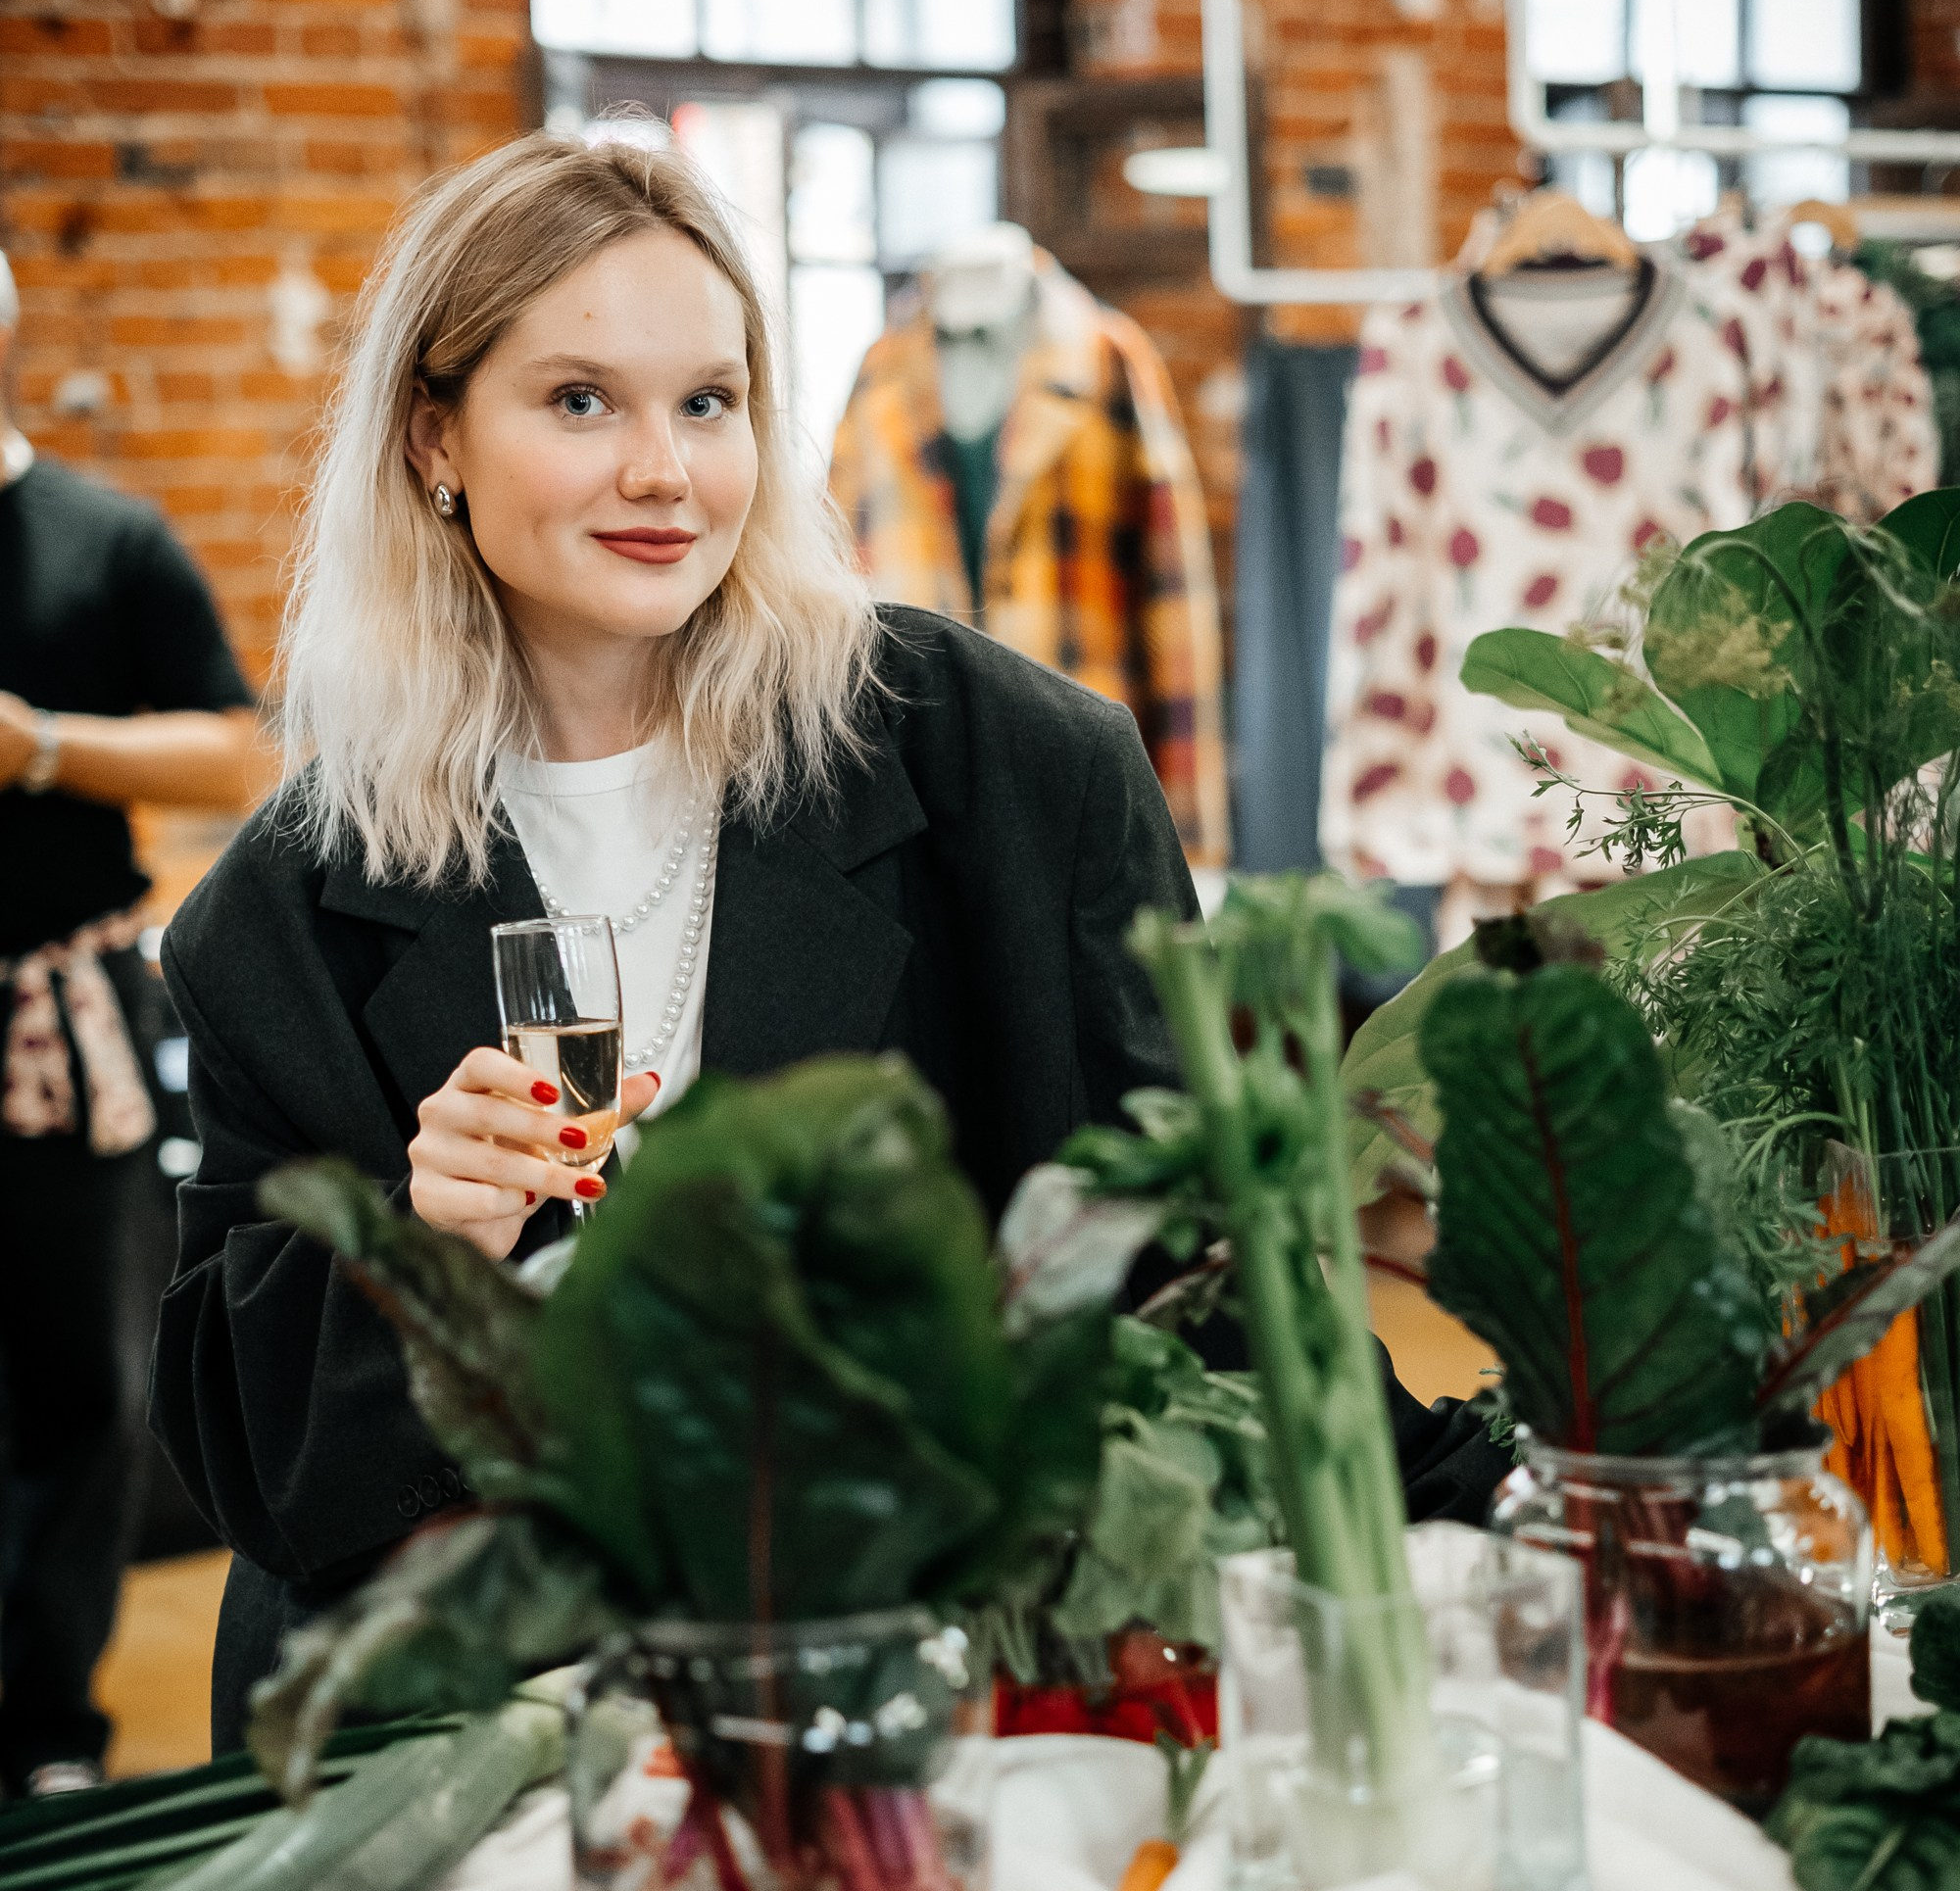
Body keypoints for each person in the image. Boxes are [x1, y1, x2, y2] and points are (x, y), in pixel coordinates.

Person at [149, 135, 1501, 1752]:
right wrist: (425, 1242)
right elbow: (250, 1460)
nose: (664, 471)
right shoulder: (287, 908)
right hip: (493, 1733)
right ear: (435, 438)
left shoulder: (1006, 769)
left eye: (707, 403)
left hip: (933, 1688)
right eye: (581, 401)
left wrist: (1489, 1507)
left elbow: (1198, 1261)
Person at [0, 249, 258, 1795]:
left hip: (58, 1009)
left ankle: (48, 1733)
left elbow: (231, 757)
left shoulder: (107, 541)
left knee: (78, 1381)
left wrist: (35, 749)